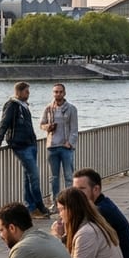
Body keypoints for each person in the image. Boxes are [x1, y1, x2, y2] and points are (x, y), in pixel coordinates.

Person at [71, 168, 129, 258]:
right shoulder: (103, 205)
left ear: (96, 189)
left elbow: (82, 253)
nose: (76, 195)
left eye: (81, 189)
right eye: (74, 190)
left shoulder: (101, 211)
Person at [0, 82, 47, 218]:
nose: (28, 94)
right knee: (34, 176)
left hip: (30, 144)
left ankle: (31, 207)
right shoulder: (12, 105)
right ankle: (40, 206)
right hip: (20, 145)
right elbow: (4, 122)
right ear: (19, 92)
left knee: (28, 177)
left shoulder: (23, 105)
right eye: (26, 92)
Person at [40, 83, 78, 213]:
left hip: (65, 147)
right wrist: (47, 127)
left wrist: (70, 142)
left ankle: (70, 203)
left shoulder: (71, 109)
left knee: (68, 176)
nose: (58, 94)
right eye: (56, 92)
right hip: (52, 146)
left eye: (60, 92)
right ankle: (55, 203)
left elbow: (74, 129)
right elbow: (41, 124)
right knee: (53, 178)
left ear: (64, 93)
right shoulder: (48, 108)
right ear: (53, 93)